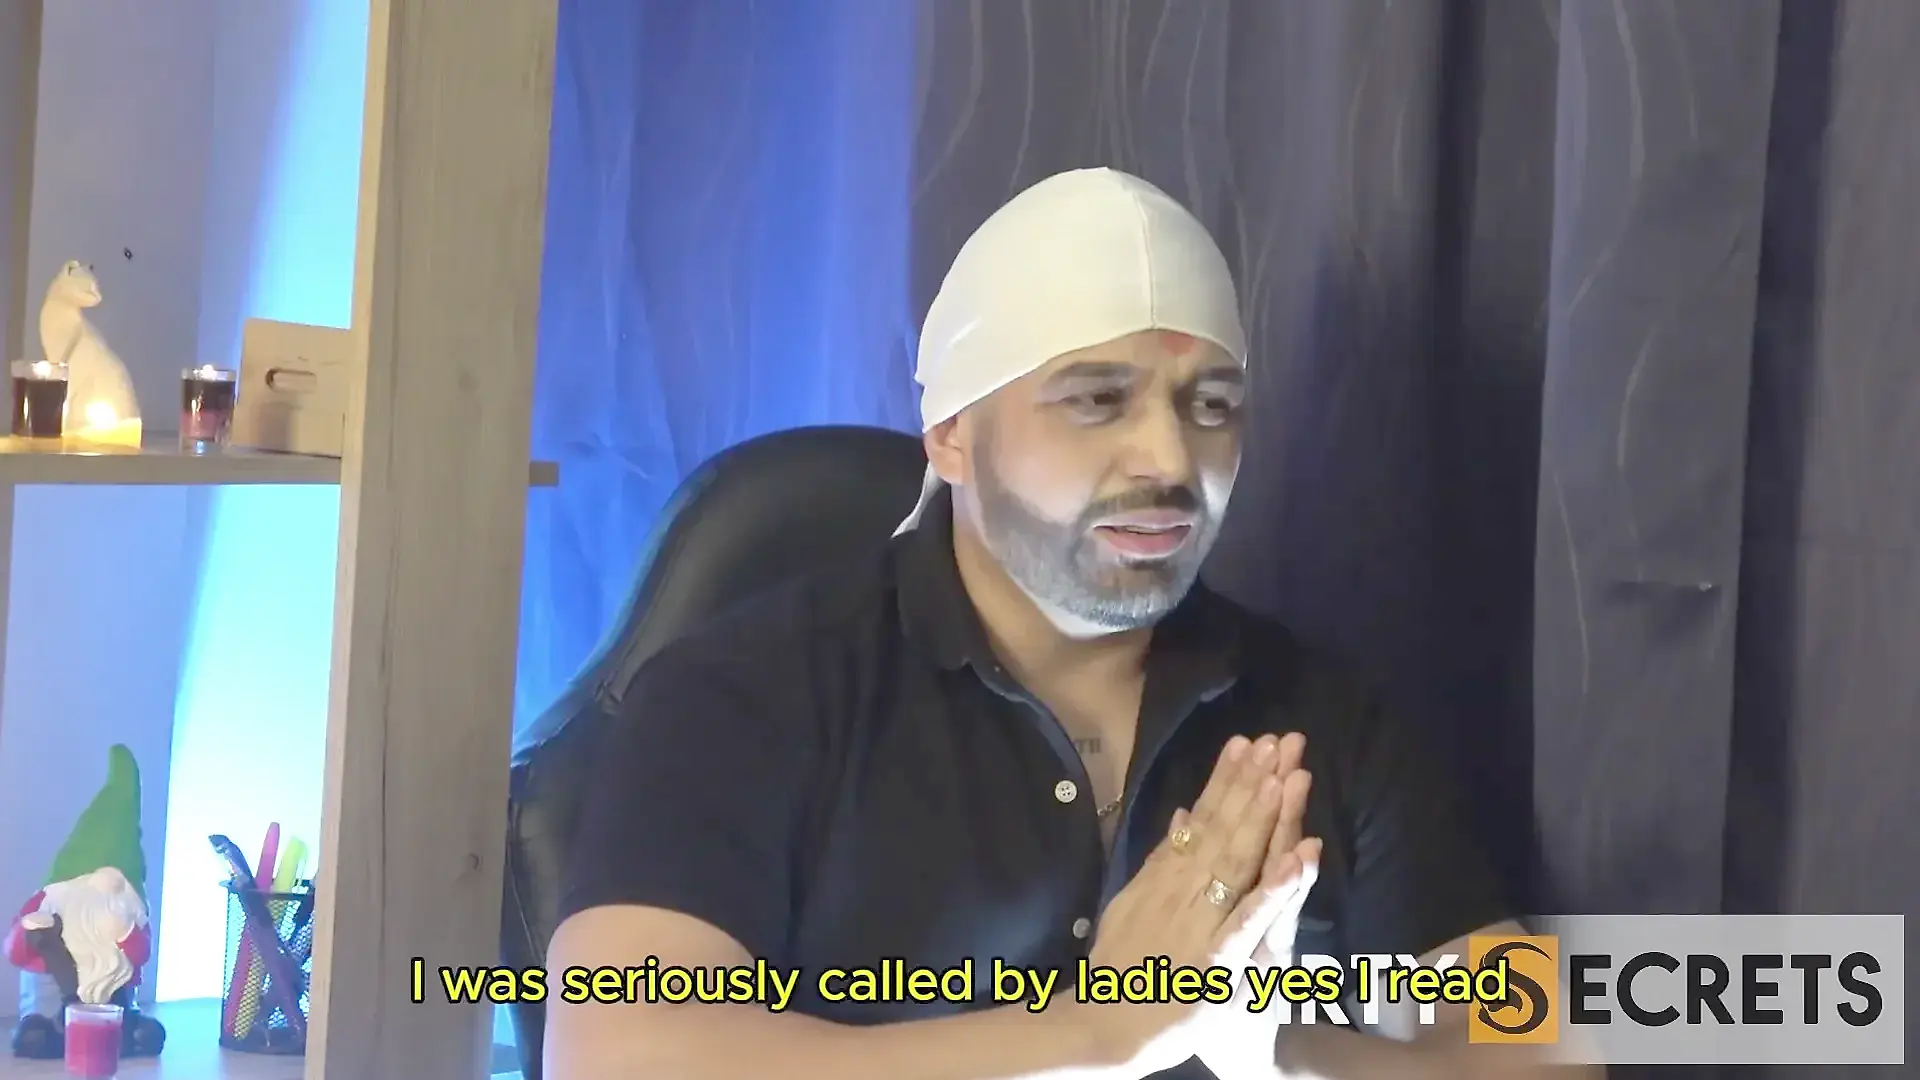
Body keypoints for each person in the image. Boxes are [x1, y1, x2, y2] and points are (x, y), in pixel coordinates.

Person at [545, 168, 1589, 1079]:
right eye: (1097, 401)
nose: (1170, 462)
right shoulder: (744, 695)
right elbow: (622, 1057)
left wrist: (1273, 1052)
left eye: (1210, 405)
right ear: (952, 433)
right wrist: (1091, 1033)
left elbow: (1545, 1057)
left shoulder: (1325, 718)